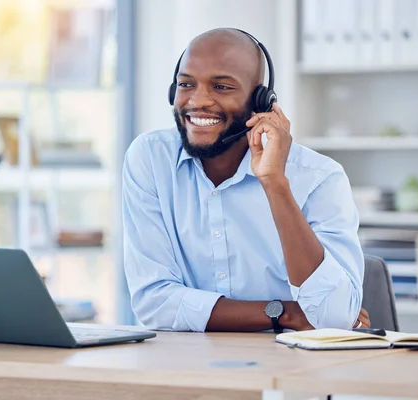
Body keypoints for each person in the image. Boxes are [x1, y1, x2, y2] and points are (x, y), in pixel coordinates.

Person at [121, 28, 370, 333]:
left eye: (222, 87)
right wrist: (284, 313)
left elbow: (333, 319)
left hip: (293, 368)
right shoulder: (150, 159)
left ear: (261, 102)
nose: (198, 101)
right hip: (185, 363)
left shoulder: (320, 179)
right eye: (186, 84)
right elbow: (154, 302)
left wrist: (275, 184)